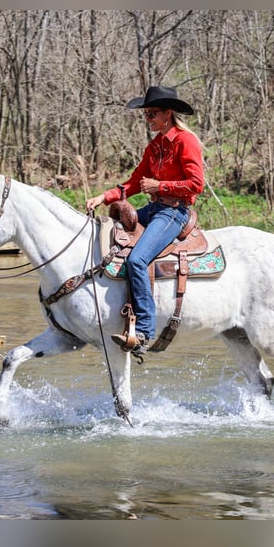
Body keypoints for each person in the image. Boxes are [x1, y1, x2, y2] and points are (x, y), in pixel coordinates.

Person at [86, 85, 205, 355]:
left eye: (152, 114)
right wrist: (103, 197)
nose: (148, 119)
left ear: (168, 114)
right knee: (110, 237)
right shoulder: (154, 147)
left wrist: (160, 186)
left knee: (137, 260)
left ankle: (144, 331)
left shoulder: (186, 141)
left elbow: (196, 184)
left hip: (174, 212)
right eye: (146, 114)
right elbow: (134, 183)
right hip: (153, 209)